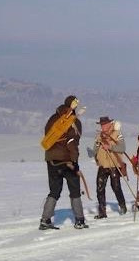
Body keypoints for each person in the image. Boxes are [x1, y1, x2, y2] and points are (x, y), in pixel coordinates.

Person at [39, 95, 87, 230]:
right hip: (67, 160)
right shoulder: (73, 122)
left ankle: (45, 219)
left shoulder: (53, 118)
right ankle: (79, 220)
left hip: (51, 159)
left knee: (54, 191)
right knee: (75, 190)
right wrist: (74, 160)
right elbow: (72, 143)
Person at [93, 117, 128, 219]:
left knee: (116, 187)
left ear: (109, 124)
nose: (102, 126)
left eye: (104, 124)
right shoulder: (99, 135)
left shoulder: (117, 133)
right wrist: (96, 149)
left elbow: (122, 148)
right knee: (100, 188)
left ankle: (122, 206)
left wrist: (110, 147)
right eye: (101, 125)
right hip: (102, 165)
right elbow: (95, 149)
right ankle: (102, 212)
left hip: (113, 164)